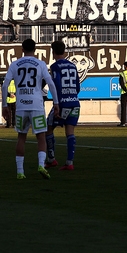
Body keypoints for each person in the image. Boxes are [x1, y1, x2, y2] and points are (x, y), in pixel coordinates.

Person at [1, 38, 57, 180]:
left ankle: (20, 171)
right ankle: (41, 165)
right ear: (35, 49)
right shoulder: (40, 64)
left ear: (22, 49)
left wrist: (4, 105)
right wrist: (56, 102)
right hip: (37, 104)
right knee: (41, 137)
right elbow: (50, 83)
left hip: (21, 106)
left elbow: (5, 85)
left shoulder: (15, 64)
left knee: (21, 137)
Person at [45, 41, 80, 170]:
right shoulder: (72, 66)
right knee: (70, 132)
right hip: (75, 102)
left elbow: (57, 85)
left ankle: (51, 159)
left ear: (52, 51)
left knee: (48, 129)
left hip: (63, 103)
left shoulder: (55, 66)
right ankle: (69, 163)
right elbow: (77, 86)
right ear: (64, 51)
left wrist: (57, 103)